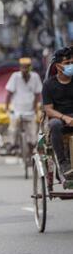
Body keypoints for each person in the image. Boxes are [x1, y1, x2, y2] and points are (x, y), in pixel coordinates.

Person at [42, 47, 73, 178]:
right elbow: (48, 109)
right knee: (54, 124)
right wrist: (65, 118)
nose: (71, 66)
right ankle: (63, 163)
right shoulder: (49, 85)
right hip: (59, 118)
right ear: (58, 66)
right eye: (67, 63)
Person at [5, 57, 43, 152]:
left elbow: (38, 94)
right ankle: (12, 144)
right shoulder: (15, 76)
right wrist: (7, 106)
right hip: (17, 109)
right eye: (22, 67)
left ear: (30, 68)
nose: (24, 70)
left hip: (31, 110)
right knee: (12, 128)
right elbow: (9, 93)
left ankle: (32, 147)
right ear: (20, 68)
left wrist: (37, 107)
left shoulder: (35, 77)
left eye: (26, 67)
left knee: (33, 132)